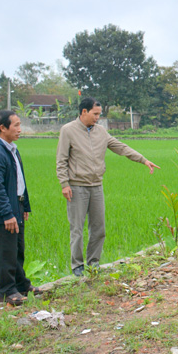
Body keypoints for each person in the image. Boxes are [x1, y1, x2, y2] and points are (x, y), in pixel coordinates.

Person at [56, 97, 159, 276]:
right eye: (95, 114)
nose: (97, 118)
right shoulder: (68, 131)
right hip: (77, 186)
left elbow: (120, 147)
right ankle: (77, 266)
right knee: (77, 228)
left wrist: (143, 159)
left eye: (99, 114)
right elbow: (61, 159)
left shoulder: (101, 131)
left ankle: (93, 263)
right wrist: (64, 184)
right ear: (84, 112)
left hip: (96, 185)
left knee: (98, 227)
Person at [0, 110, 40, 306]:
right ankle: (6, 291)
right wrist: (7, 214)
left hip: (17, 204)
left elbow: (19, 180)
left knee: (17, 248)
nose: (20, 129)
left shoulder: (12, 149)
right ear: (2, 128)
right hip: (3, 210)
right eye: (15, 125)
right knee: (6, 250)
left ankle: (21, 285)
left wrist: (25, 205)